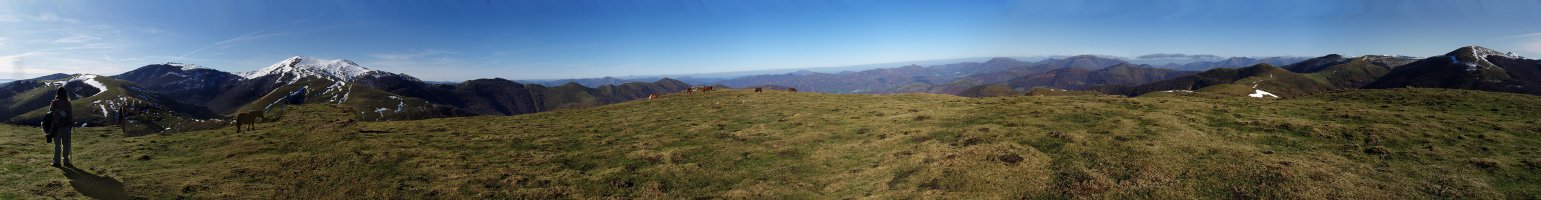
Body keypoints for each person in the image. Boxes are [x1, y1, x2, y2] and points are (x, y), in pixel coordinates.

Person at [42, 88, 73, 166]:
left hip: (56, 127)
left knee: (57, 145)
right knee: (66, 145)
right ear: (65, 94)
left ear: (58, 93)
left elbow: (50, 113)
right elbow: (70, 115)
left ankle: (56, 161)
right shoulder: (68, 103)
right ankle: (66, 161)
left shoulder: (54, 103)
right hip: (66, 126)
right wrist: (70, 125)